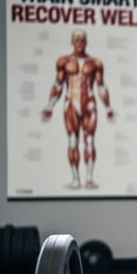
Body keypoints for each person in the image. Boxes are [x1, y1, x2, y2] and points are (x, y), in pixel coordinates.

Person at [42, 29, 115, 189]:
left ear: (86, 42)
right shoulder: (63, 62)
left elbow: (101, 86)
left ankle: (89, 178)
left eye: (83, 40)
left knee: (89, 142)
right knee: (73, 142)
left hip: (89, 104)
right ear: (72, 42)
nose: (80, 43)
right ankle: (75, 179)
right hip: (70, 104)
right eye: (77, 40)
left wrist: (108, 107)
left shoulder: (95, 63)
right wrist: (50, 105)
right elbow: (58, 85)